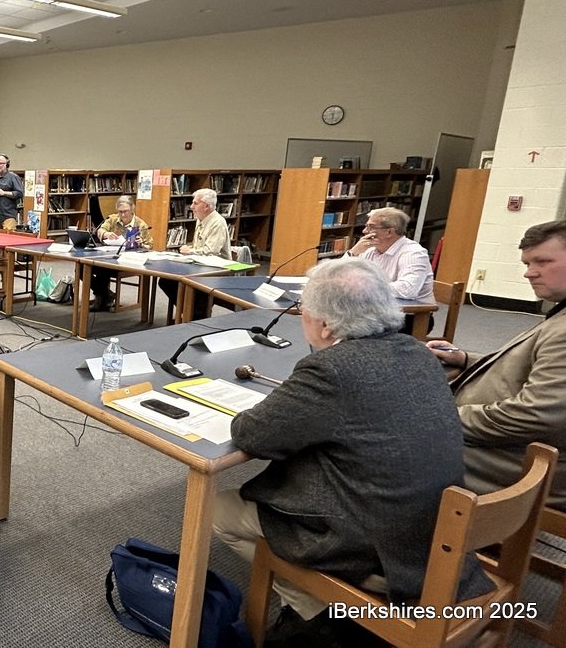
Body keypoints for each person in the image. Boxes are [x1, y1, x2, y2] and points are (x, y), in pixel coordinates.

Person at [213, 257, 490, 646]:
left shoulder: (332, 369)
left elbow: (252, 435)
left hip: (381, 552)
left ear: (326, 325)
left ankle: (319, 613)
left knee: (219, 511)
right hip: (432, 532)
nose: (302, 318)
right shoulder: (418, 353)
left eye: (303, 311)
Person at [428, 219, 566, 511]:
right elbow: (533, 368)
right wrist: (466, 359)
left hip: (520, 464)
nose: (529, 272)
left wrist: (442, 417)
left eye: (542, 261)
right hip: (514, 447)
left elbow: (535, 417)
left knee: (385, 445)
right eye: (527, 263)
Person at [158, 188, 231, 316]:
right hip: (198, 265)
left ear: (206, 206)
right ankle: (188, 311)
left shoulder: (217, 223)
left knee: (194, 288)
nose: (191, 207)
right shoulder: (201, 218)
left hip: (216, 270)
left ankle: (193, 314)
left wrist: (190, 251)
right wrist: (190, 249)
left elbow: (211, 252)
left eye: (195, 203)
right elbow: (199, 246)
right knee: (166, 281)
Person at [345, 206, 435, 304]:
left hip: (412, 310)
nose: (364, 231)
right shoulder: (370, 249)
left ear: (389, 232)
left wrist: (365, 287)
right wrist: (353, 252)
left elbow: (407, 289)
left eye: (371, 227)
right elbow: (338, 275)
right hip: (379, 305)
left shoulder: (414, 253)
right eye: (366, 226)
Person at [89, 195, 152, 312]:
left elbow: (150, 246)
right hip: (110, 257)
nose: (122, 215)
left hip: (128, 261)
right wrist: (105, 234)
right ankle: (106, 295)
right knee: (83, 268)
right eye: (120, 212)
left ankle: (102, 297)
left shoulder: (140, 224)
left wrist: (142, 244)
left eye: (125, 211)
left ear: (132, 209)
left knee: (102, 270)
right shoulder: (113, 219)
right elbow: (100, 230)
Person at [0, 154, 24, 230]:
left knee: (8, 236)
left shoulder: (13, 177)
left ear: (7, 164)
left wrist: (4, 193)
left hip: (8, 216)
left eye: (0, 163)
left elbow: (19, 193)